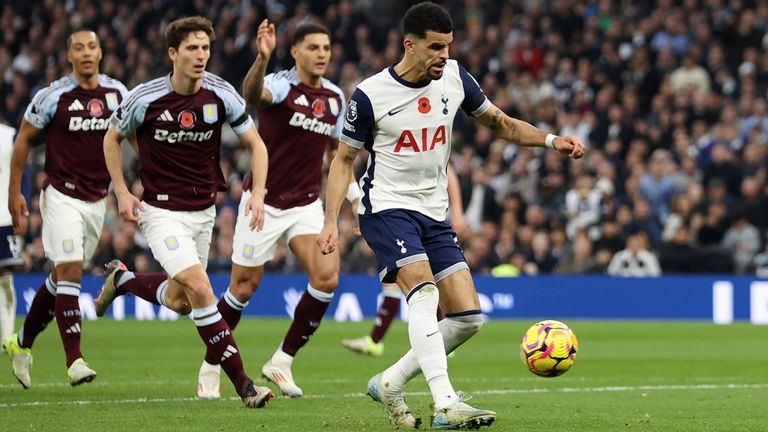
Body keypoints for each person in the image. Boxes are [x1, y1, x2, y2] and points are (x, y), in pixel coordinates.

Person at [317, 3, 585, 429]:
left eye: (448, 46)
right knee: (423, 294)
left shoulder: (457, 77)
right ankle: (445, 402)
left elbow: (501, 124)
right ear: (410, 45)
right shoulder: (371, 95)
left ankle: (389, 381)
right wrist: (331, 220)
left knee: (467, 318)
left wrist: (552, 140)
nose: (444, 55)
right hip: (386, 207)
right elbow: (343, 159)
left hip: (434, 210)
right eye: (435, 47)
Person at [98, 16, 272, 408]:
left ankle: (122, 281)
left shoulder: (220, 94)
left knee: (180, 301)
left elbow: (257, 146)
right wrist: (123, 192)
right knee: (201, 288)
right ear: (173, 53)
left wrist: (258, 194)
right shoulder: (145, 97)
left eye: (206, 48)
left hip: (203, 212)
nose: (201, 56)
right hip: (160, 212)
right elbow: (112, 139)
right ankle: (245, 384)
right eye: (192, 48)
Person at [194, 19, 348, 399]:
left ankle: (282, 360)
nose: (322, 54)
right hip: (263, 200)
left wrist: (354, 197)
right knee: (243, 288)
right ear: (294, 52)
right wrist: (261, 59)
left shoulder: (334, 98)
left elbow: (336, 153)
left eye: (326, 48)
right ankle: (212, 362)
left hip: (306, 204)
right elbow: (254, 94)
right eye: (313, 48)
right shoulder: (280, 84)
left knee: (327, 277)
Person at [1, 30, 128, 388]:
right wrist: (15, 193)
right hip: (60, 195)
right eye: (78, 48)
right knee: (70, 268)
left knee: (62, 277)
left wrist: (137, 183)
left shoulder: (118, 93)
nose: (86, 53)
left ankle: (21, 343)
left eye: (91, 47)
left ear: (100, 52)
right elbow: (22, 140)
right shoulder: (52, 96)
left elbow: (135, 133)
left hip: (96, 201)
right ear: (69, 55)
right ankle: (74, 360)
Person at [341, 165, 469, 356]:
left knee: (421, 282)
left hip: (427, 217)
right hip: (399, 217)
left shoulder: (423, 140)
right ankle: (378, 340)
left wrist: (457, 211)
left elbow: (448, 170)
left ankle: (380, 341)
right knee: (409, 281)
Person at [0, 123, 23, 344]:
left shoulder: (9, 135)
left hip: (4, 218)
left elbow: (22, 171)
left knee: (5, 278)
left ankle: (7, 337)